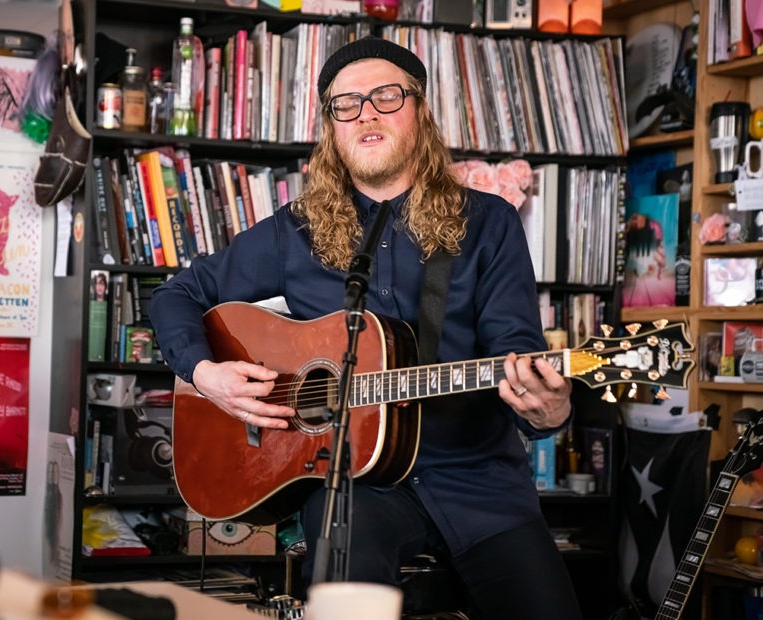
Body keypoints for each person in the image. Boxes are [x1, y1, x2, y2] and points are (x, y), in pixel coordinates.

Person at [149, 37, 581, 618]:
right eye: (345, 104)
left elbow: (516, 356)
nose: (366, 114)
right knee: (344, 596)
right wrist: (207, 376)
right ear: (332, 127)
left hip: (477, 480)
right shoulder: (294, 231)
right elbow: (177, 295)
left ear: (420, 111)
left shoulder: (488, 224)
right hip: (351, 485)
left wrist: (545, 411)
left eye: (385, 96)